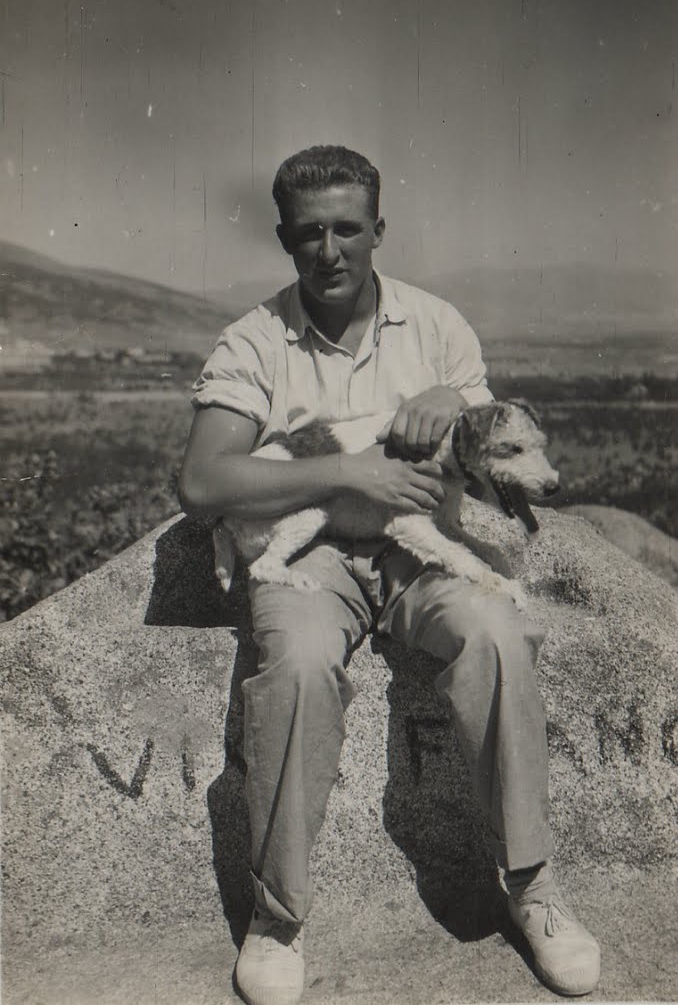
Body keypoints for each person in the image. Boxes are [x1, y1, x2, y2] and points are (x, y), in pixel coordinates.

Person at [179, 145, 601, 1005]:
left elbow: (484, 443)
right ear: (284, 239)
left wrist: (451, 395)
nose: (328, 251)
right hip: (316, 553)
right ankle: (276, 918)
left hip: (420, 546)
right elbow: (202, 481)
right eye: (308, 235)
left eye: (346, 229)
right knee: (294, 665)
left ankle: (534, 888)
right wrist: (346, 474)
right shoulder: (257, 338)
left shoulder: (438, 325)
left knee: (496, 633)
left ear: (378, 229)